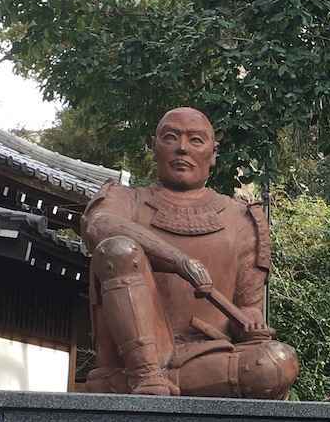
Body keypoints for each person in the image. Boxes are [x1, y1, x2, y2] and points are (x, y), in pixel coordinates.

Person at [80, 107, 299, 398]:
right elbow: (99, 226)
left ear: (213, 153)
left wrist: (250, 320)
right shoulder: (125, 199)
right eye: (171, 137)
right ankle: (145, 374)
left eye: (196, 140)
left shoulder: (241, 218)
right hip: (132, 360)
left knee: (277, 363)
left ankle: (155, 380)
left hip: (207, 357)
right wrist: (177, 260)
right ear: (154, 146)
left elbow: (248, 307)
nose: (182, 148)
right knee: (118, 248)